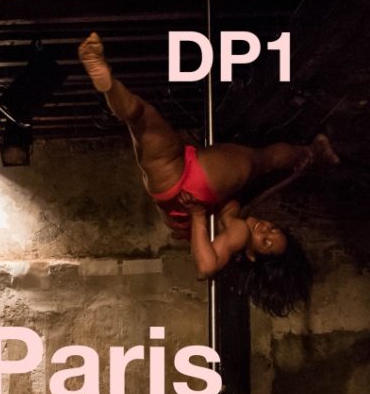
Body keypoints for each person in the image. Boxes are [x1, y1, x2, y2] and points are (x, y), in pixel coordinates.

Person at [77, 33, 338, 316]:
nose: (265, 230)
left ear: (252, 256)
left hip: (196, 184)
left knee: (262, 160)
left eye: (265, 242)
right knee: (139, 116)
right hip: (168, 184)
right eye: (273, 230)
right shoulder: (237, 225)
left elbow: (205, 268)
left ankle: (314, 150)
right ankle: (108, 84)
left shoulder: (239, 235)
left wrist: (199, 217)